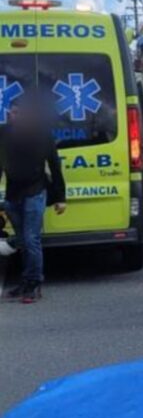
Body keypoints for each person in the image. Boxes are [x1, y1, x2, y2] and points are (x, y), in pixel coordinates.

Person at [0, 98, 66, 303]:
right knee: (22, 241)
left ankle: (34, 283)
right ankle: (26, 281)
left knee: (31, 239)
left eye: (17, 113)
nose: (12, 116)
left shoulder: (41, 135)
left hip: (35, 192)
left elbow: (55, 166)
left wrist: (60, 197)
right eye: (11, 113)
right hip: (12, 195)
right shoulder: (4, 134)